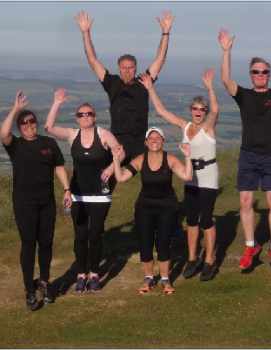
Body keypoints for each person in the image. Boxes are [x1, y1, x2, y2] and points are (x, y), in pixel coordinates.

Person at [218, 29, 271, 275]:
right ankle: (250, 246)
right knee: (245, 201)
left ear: (269, 75)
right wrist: (226, 51)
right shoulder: (243, 95)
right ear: (251, 75)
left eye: (264, 71)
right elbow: (225, 80)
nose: (260, 75)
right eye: (256, 71)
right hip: (248, 155)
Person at [139, 69, 220, 281]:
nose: (198, 112)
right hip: (191, 176)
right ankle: (193, 259)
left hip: (209, 178)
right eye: (195, 109)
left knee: (207, 220)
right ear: (190, 110)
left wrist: (210, 87)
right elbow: (162, 111)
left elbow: (216, 110)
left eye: (202, 109)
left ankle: (210, 261)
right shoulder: (185, 126)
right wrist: (150, 88)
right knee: (192, 220)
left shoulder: (209, 128)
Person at [1, 91, 71, 310]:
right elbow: (3, 134)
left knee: (47, 244)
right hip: (24, 204)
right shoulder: (16, 146)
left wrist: (67, 189)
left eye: (31, 121)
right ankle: (29, 291)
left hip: (46, 202)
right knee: (29, 245)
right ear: (19, 127)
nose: (28, 125)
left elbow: (59, 166)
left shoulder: (48, 143)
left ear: (36, 124)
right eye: (24, 123)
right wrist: (15, 109)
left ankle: (45, 282)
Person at [45, 89, 120, 293]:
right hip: (78, 193)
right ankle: (81, 273)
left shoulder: (103, 135)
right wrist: (57, 103)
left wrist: (111, 168)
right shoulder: (72, 135)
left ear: (94, 117)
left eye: (89, 114)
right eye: (81, 114)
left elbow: (119, 152)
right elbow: (49, 127)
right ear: (77, 118)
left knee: (95, 234)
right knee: (80, 236)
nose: (85, 117)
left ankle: (94, 273)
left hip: (100, 195)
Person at [74, 10, 174, 163]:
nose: (127, 70)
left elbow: (160, 59)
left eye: (131, 67)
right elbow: (93, 61)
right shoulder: (112, 82)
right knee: (107, 178)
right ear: (119, 68)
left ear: (135, 68)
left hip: (141, 142)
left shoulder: (144, 81)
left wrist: (165, 33)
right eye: (124, 67)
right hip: (117, 142)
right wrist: (85, 33)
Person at [112, 127, 192, 294]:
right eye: (151, 138)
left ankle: (165, 279)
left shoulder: (169, 159)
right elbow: (121, 178)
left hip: (167, 208)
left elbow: (187, 176)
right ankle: (148, 278)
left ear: (163, 141)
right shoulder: (140, 160)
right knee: (145, 244)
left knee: (163, 243)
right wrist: (115, 159)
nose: (154, 140)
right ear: (146, 142)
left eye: (158, 138)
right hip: (145, 208)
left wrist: (188, 156)